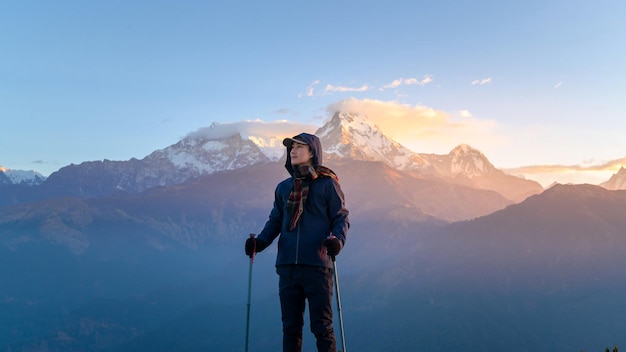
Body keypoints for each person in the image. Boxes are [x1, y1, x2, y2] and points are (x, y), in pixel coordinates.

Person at [245, 132, 349, 352]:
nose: (293, 150)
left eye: (299, 146)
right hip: (287, 267)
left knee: (322, 327)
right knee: (290, 328)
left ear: (313, 152)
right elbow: (276, 220)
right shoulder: (283, 188)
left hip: (317, 266)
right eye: (291, 147)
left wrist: (337, 241)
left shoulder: (327, 185)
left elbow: (341, 217)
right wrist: (260, 243)